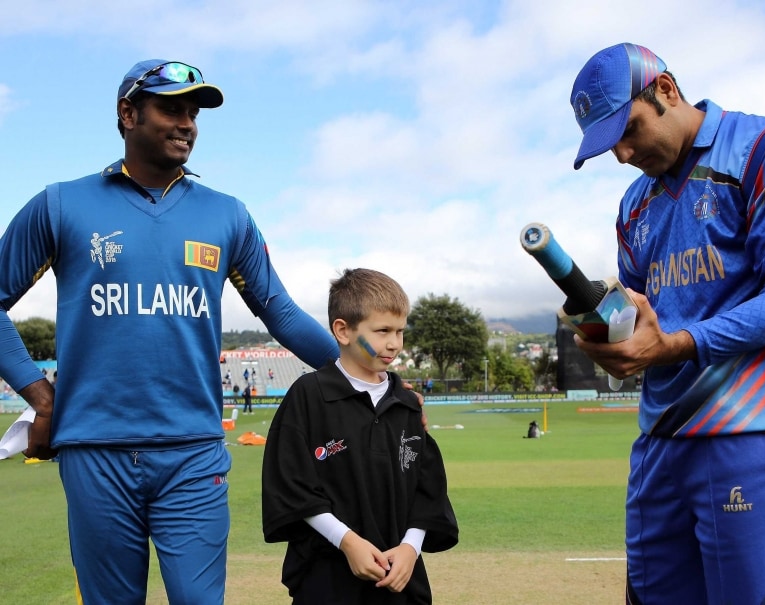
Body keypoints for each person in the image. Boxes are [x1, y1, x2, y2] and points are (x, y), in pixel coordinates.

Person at [0, 59, 343, 604]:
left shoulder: (227, 215)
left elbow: (278, 310)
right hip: (95, 452)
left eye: (193, 114)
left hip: (193, 454)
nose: (187, 124)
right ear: (127, 114)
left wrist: (369, 377)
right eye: (171, 109)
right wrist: (40, 395)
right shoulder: (61, 204)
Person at [569, 43, 765, 604]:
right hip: (659, 444)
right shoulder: (634, 205)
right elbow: (640, 318)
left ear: (666, 90)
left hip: (749, 431)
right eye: (608, 147)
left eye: (629, 131)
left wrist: (676, 344)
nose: (623, 155)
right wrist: (611, 336)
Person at [262, 268, 458, 604]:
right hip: (326, 580)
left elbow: (427, 490)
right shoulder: (309, 397)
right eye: (382, 331)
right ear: (343, 331)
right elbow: (292, 485)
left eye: (400, 331)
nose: (394, 343)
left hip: (399, 582)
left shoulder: (406, 403)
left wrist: (410, 548)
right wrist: (346, 541)